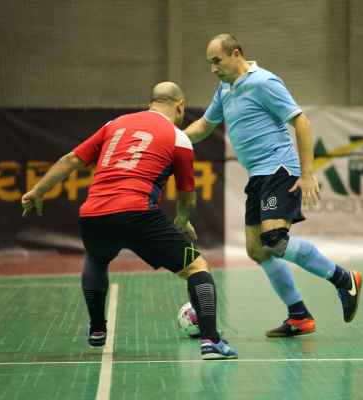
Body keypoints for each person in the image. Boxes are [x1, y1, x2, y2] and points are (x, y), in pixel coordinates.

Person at [21, 82, 238, 360]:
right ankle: (211, 342)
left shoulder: (115, 124)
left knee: (96, 259)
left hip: (92, 215)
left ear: (151, 103)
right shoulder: (179, 137)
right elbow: (187, 198)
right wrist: (182, 220)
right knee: (197, 267)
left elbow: (72, 158)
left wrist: (38, 190)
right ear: (180, 105)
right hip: (138, 215)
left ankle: (97, 329)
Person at [183, 34, 363, 337]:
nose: (213, 68)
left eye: (217, 61)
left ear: (236, 55)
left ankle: (344, 279)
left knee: (275, 241)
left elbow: (302, 122)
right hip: (257, 175)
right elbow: (203, 126)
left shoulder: (264, 82)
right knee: (258, 250)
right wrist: (173, 137)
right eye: (209, 63)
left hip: (279, 168)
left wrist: (308, 174)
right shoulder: (225, 88)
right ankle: (299, 316)